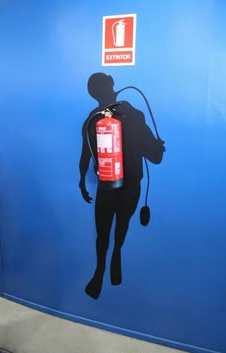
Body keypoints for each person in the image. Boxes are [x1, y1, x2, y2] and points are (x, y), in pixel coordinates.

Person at [79, 73, 165, 299]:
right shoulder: (133, 115)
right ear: (111, 85)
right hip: (128, 184)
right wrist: (157, 147)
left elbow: (85, 155)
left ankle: (105, 265)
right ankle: (112, 258)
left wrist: (82, 181)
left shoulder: (93, 119)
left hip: (110, 184)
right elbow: (154, 156)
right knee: (120, 223)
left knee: (105, 230)